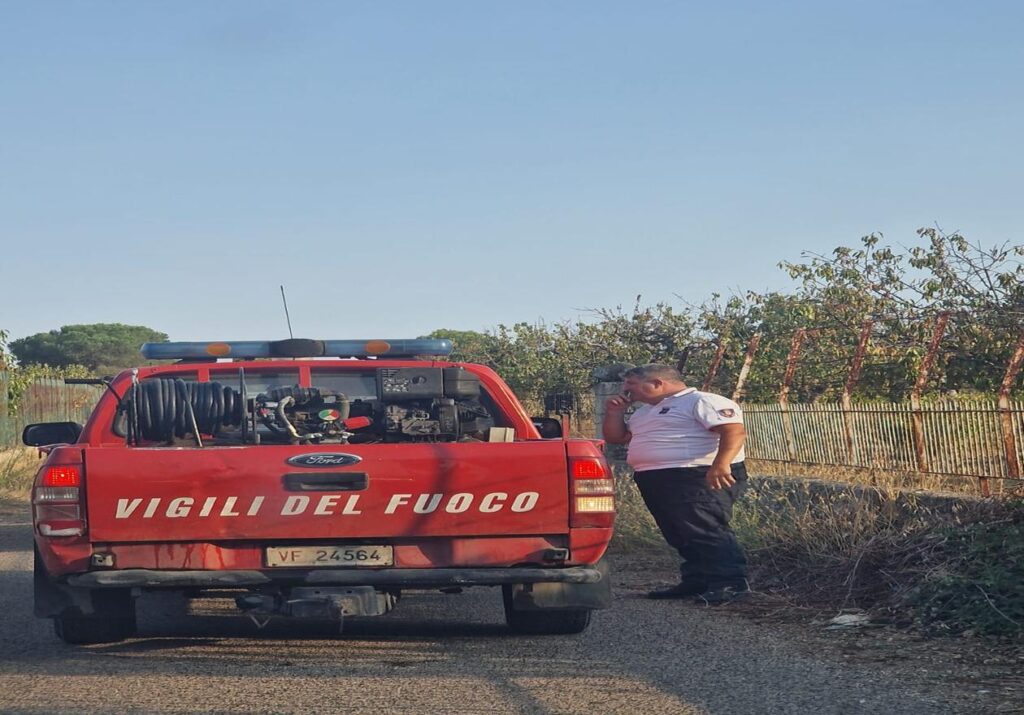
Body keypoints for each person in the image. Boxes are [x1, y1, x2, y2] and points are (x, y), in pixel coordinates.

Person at [602, 363, 750, 603]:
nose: (626, 391)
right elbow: (616, 437)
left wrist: (721, 464)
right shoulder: (644, 411)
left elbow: (734, 431)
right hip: (657, 478)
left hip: (695, 476)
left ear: (657, 383)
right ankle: (698, 580)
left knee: (705, 529)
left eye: (631, 385)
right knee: (679, 532)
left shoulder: (701, 401)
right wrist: (614, 413)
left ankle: (730, 584)